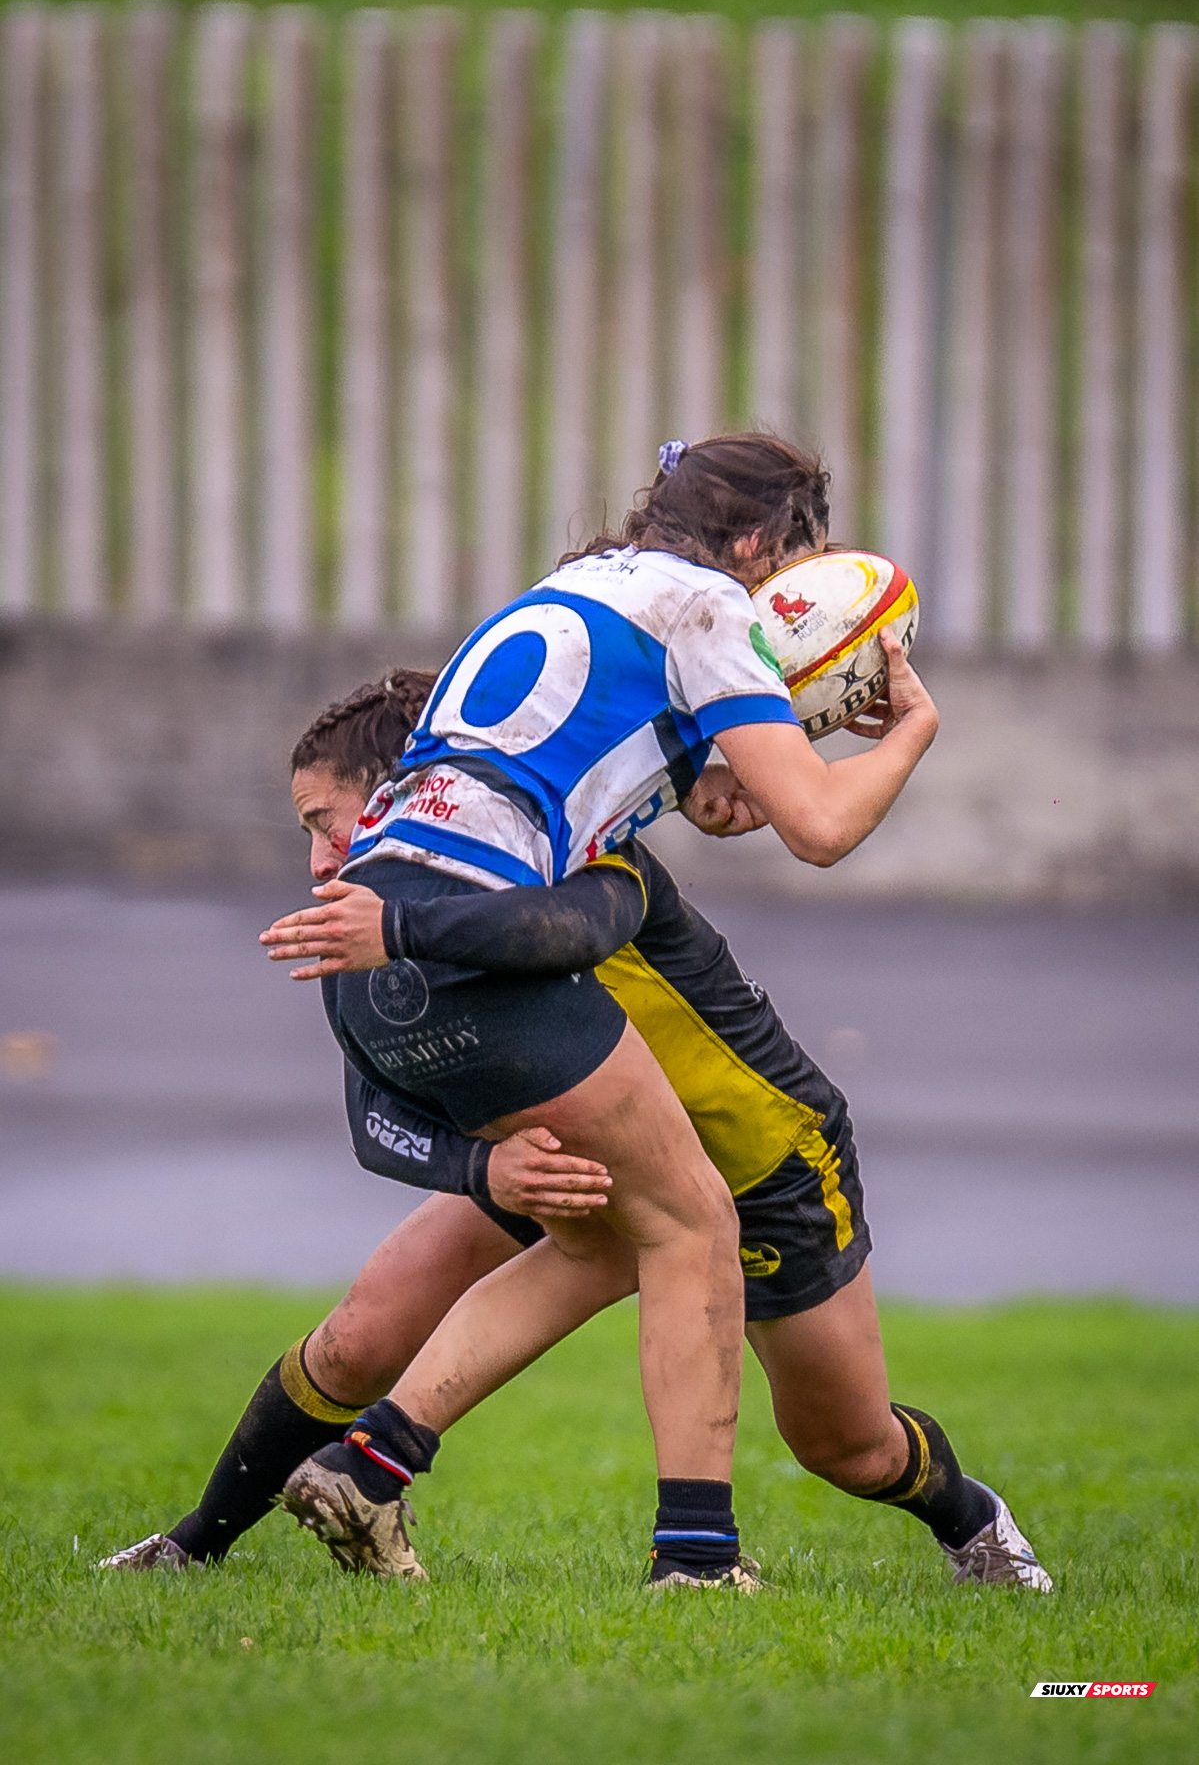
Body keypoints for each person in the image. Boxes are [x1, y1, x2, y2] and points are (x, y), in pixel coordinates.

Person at [100, 662, 1050, 1592]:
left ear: (408, 792)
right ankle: (194, 1549)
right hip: (576, 1155)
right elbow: (372, 1116)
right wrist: (483, 1170)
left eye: (326, 821)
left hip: (764, 1160)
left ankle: (971, 1520)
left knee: (845, 1445)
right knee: (365, 1329)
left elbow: (585, 906)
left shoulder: (571, 860)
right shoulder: (376, 913)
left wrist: (708, 776)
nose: (317, 860)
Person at [270, 435, 941, 1589]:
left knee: (601, 1235)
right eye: (798, 559)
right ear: (754, 542)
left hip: (369, 946)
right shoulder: (707, 610)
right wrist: (914, 731)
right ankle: (695, 1559)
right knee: (691, 1223)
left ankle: (368, 1467)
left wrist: (709, 782)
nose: (790, 596)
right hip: (472, 943)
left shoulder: (577, 584)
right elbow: (820, 828)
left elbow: (634, 785)